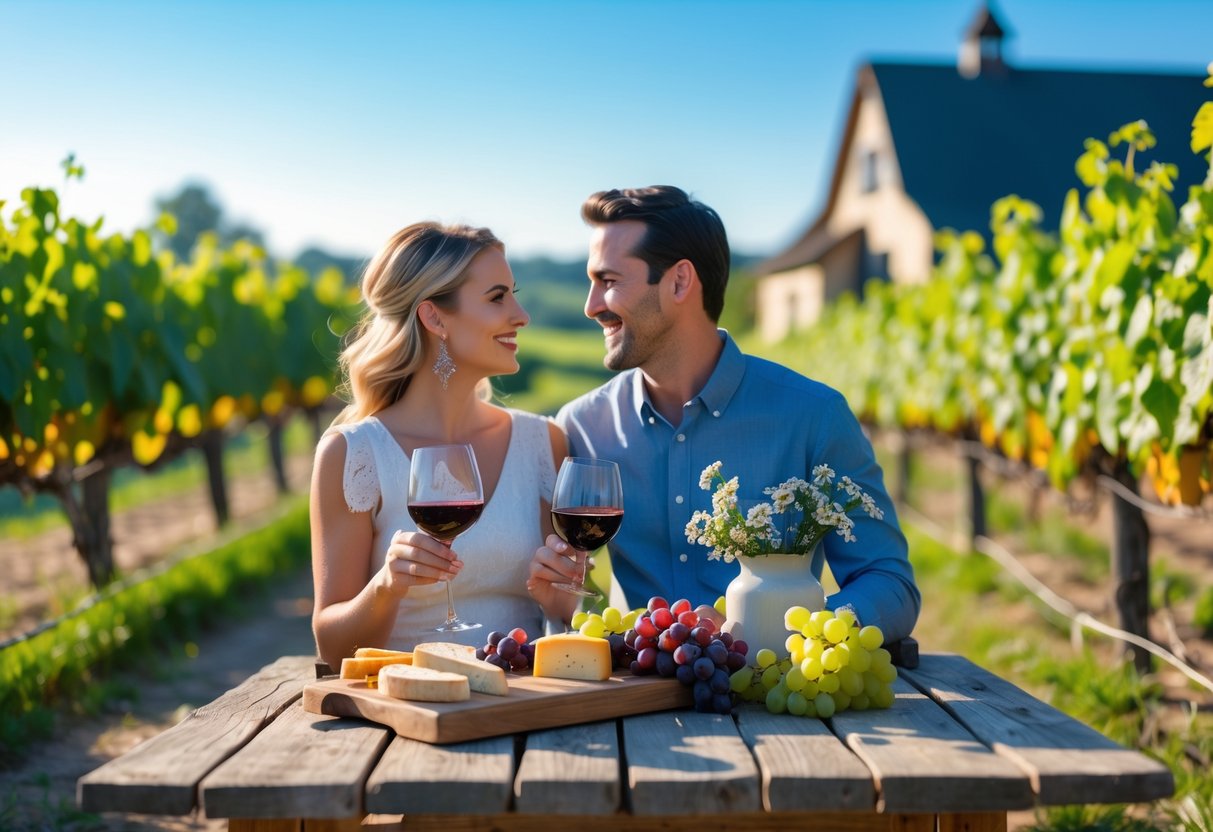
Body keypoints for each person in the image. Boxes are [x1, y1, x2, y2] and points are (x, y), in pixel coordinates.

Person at [527, 187, 920, 642]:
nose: (591, 305)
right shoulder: (582, 427)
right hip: (630, 701)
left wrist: (783, 636)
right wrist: (566, 598)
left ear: (679, 282)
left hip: (770, 696)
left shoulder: (814, 416)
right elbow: (579, 598)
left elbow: (890, 584)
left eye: (609, 280)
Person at [311, 222, 575, 669]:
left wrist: (558, 604)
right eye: (497, 297)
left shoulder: (543, 442)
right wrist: (386, 586)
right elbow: (332, 649)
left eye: (514, 293)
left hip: (529, 709)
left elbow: (563, 622)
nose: (521, 315)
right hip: (410, 715)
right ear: (435, 318)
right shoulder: (353, 454)